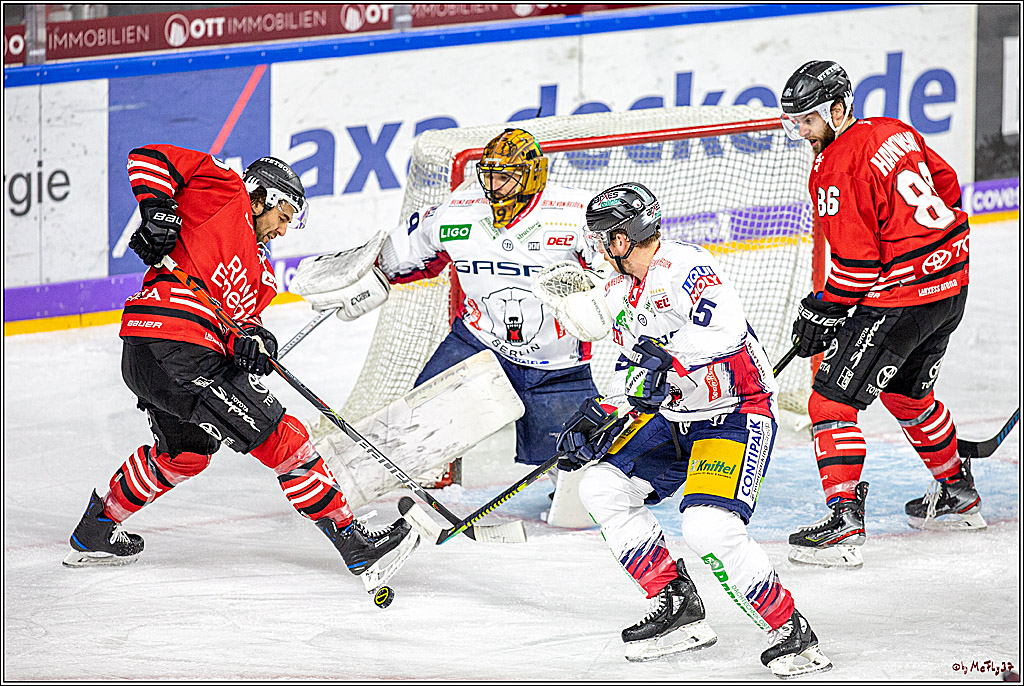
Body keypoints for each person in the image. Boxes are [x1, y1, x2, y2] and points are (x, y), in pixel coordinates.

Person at [64, 144, 416, 581]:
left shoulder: (260, 273)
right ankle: (355, 543)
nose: (283, 230)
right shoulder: (223, 191)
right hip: (175, 346)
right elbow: (149, 156)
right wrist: (158, 210)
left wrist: (254, 341)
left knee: (185, 456)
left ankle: (97, 528)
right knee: (288, 442)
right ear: (261, 195)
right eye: (283, 215)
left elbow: (239, 326)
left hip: (155, 357)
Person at [553, 182, 831, 678]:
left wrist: (671, 361)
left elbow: (724, 329)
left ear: (624, 239)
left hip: (735, 413)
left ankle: (791, 631)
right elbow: (623, 371)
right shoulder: (618, 290)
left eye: (604, 238)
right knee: (599, 485)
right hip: (675, 418)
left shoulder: (685, 267)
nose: (598, 248)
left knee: (708, 527)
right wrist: (602, 413)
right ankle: (676, 603)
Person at [296, 128, 603, 480]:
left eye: (504, 177)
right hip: (476, 344)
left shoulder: (575, 213)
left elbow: (616, 274)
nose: (493, 187)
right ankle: (374, 481)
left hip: (557, 363)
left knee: (577, 475)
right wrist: (359, 275)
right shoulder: (459, 211)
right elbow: (403, 253)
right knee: (413, 430)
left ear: (531, 176)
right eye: (488, 176)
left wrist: (603, 301)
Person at [779, 60, 979, 570]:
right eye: (794, 121)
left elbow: (855, 265)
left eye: (807, 120)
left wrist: (822, 312)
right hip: (951, 282)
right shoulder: (895, 129)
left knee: (828, 402)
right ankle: (957, 493)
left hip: (904, 297)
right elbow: (948, 183)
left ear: (839, 108)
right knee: (906, 394)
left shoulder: (834, 167)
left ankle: (844, 525)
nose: (800, 131)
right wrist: (923, 245)